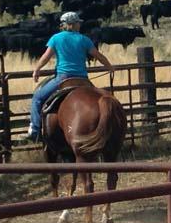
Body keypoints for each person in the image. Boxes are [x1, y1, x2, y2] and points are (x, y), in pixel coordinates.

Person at [23, 12, 116, 142]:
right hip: (83, 80)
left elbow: (46, 57)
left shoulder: (56, 38)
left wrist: (37, 69)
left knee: (37, 98)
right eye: (78, 23)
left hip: (63, 78)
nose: (80, 25)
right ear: (71, 25)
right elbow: (98, 55)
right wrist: (110, 67)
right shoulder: (84, 39)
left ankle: (35, 130)